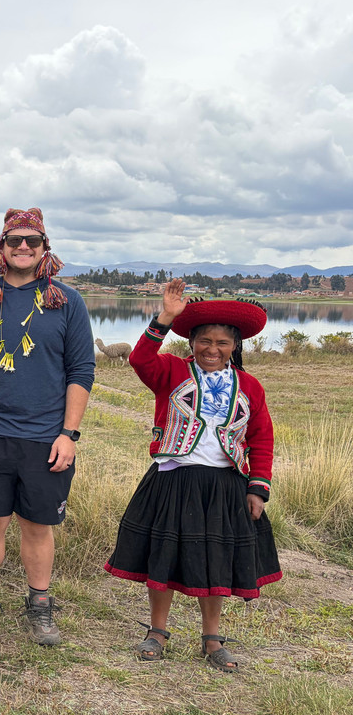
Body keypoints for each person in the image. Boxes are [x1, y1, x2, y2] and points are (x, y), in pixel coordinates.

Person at [104, 279, 281, 673]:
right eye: (204, 341)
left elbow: (261, 437)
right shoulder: (170, 371)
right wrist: (164, 317)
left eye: (222, 343)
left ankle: (212, 638)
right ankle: (158, 630)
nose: (212, 349)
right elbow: (140, 360)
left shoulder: (249, 386)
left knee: (216, 558)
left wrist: (258, 487)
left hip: (224, 485)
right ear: (192, 343)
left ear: (235, 346)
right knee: (163, 557)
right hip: (174, 480)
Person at [0, 207, 94, 645]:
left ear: (44, 248)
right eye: (13, 240)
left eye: (31, 241)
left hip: (45, 437)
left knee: (38, 527)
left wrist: (68, 434)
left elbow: (81, 370)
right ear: (0, 246)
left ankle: (40, 606)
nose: (22, 247)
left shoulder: (68, 302)